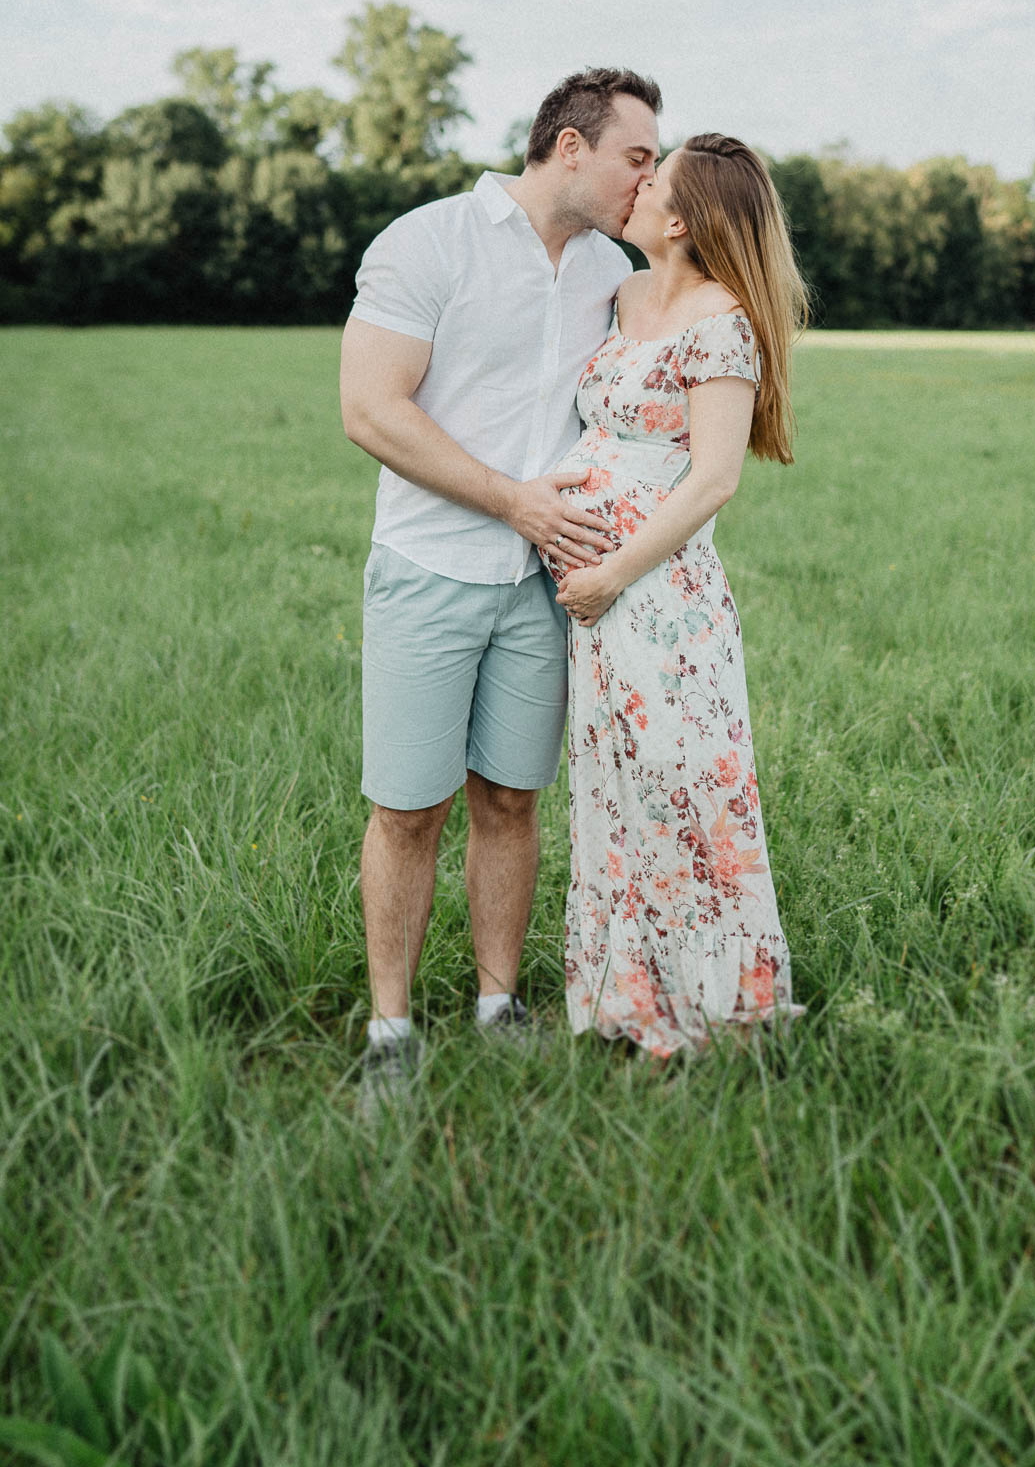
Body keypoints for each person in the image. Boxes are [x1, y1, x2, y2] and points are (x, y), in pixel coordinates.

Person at [339, 67, 661, 1110]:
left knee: (512, 799)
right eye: (636, 157)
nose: (645, 178)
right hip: (429, 571)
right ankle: (390, 1030)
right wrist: (513, 501)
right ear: (569, 148)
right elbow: (370, 411)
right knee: (407, 810)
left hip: (544, 586)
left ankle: (496, 1003)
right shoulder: (427, 241)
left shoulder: (610, 271)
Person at [539, 134, 808, 1056]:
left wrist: (612, 571)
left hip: (661, 601)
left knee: (684, 787)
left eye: (652, 178)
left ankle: (715, 1009)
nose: (638, 184)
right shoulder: (622, 295)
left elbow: (712, 481)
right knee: (615, 788)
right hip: (596, 606)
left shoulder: (722, 322)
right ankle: (628, 1003)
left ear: (683, 219)